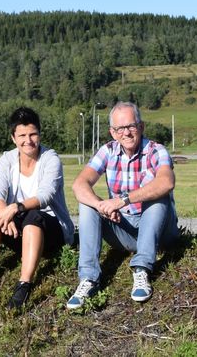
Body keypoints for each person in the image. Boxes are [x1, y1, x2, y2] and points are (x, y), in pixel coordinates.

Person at [66, 101, 179, 309]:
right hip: (125, 231)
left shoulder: (156, 151)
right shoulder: (107, 151)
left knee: (158, 196)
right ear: (112, 132)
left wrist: (122, 200)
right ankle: (88, 279)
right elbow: (79, 185)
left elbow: (166, 182)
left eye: (131, 126)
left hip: (161, 232)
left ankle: (142, 269)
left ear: (141, 127)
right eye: (120, 129)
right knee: (87, 204)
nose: (126, 133)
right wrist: (102, 206)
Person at [0, 107, 75, 311]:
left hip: (51, 229)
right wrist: (3, 214)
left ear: (40, 134)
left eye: (33, 134)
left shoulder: (51, 159)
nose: (28, 140)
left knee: (33, 216)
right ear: (13, 138)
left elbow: (46, 195)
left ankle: (24, 284)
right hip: (17, 227)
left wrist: (14, 208)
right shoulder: (7, 159)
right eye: (22, 135)